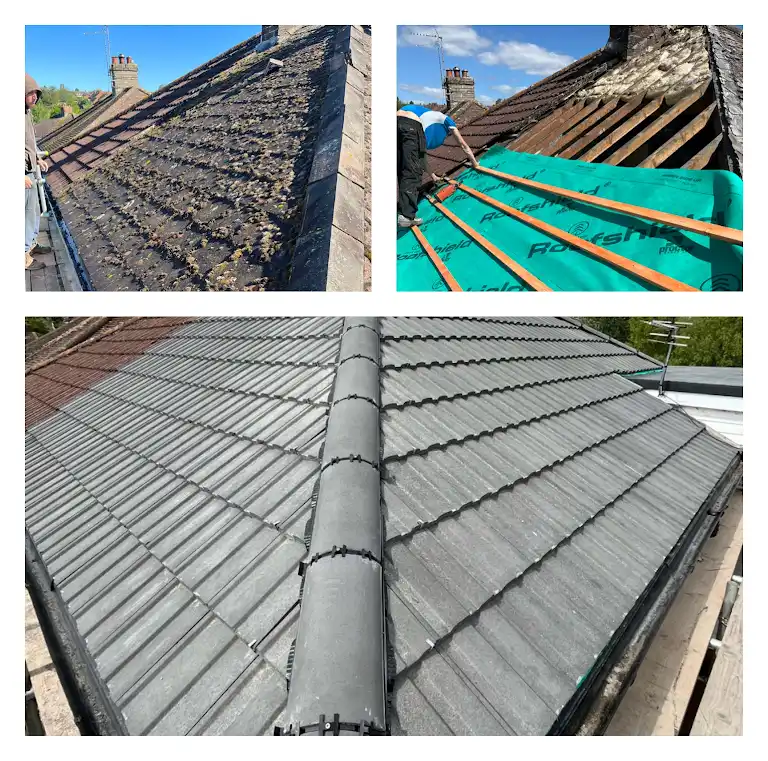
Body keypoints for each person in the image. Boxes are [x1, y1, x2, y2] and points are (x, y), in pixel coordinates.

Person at [396, 104, 479, 228]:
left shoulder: (429, 119)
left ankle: (404, 211)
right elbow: (463, 145)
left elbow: (422, 157)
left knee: (402, 167)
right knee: (412, 170)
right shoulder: (447, 120)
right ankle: (407, 216)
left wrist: (433, 176)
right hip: (410, 124)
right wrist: (475, 163)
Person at [26, 74, 49, 271]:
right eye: (30, 93)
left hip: (30, 169)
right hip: (22, 173)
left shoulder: (26, 113)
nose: (34, 97)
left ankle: (31, 244)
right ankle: (22, 255)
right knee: (23, 214)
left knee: (33, 210)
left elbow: (28, 144)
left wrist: (37, 159)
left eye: (36, 93)